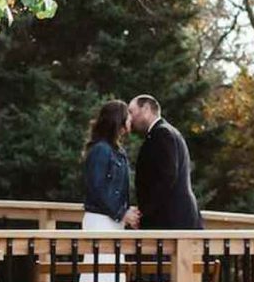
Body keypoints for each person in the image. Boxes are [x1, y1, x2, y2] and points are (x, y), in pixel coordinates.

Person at [128, 94, 203, 230]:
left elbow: (167, 177)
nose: (130, 118)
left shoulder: (162, 134)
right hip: (172, 217)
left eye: (131, 112)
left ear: (145, 109)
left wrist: (145, 212)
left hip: (170, 219)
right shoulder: (166, 132)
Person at [82, 99, 141, 231]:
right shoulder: (101, 150)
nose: (131, 119)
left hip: (112, 219)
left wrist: (125, 210)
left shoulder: (117, 151)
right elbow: (97, 188)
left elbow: (115, 190)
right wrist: (122, 213)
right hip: (100, 220)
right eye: (128, 116)